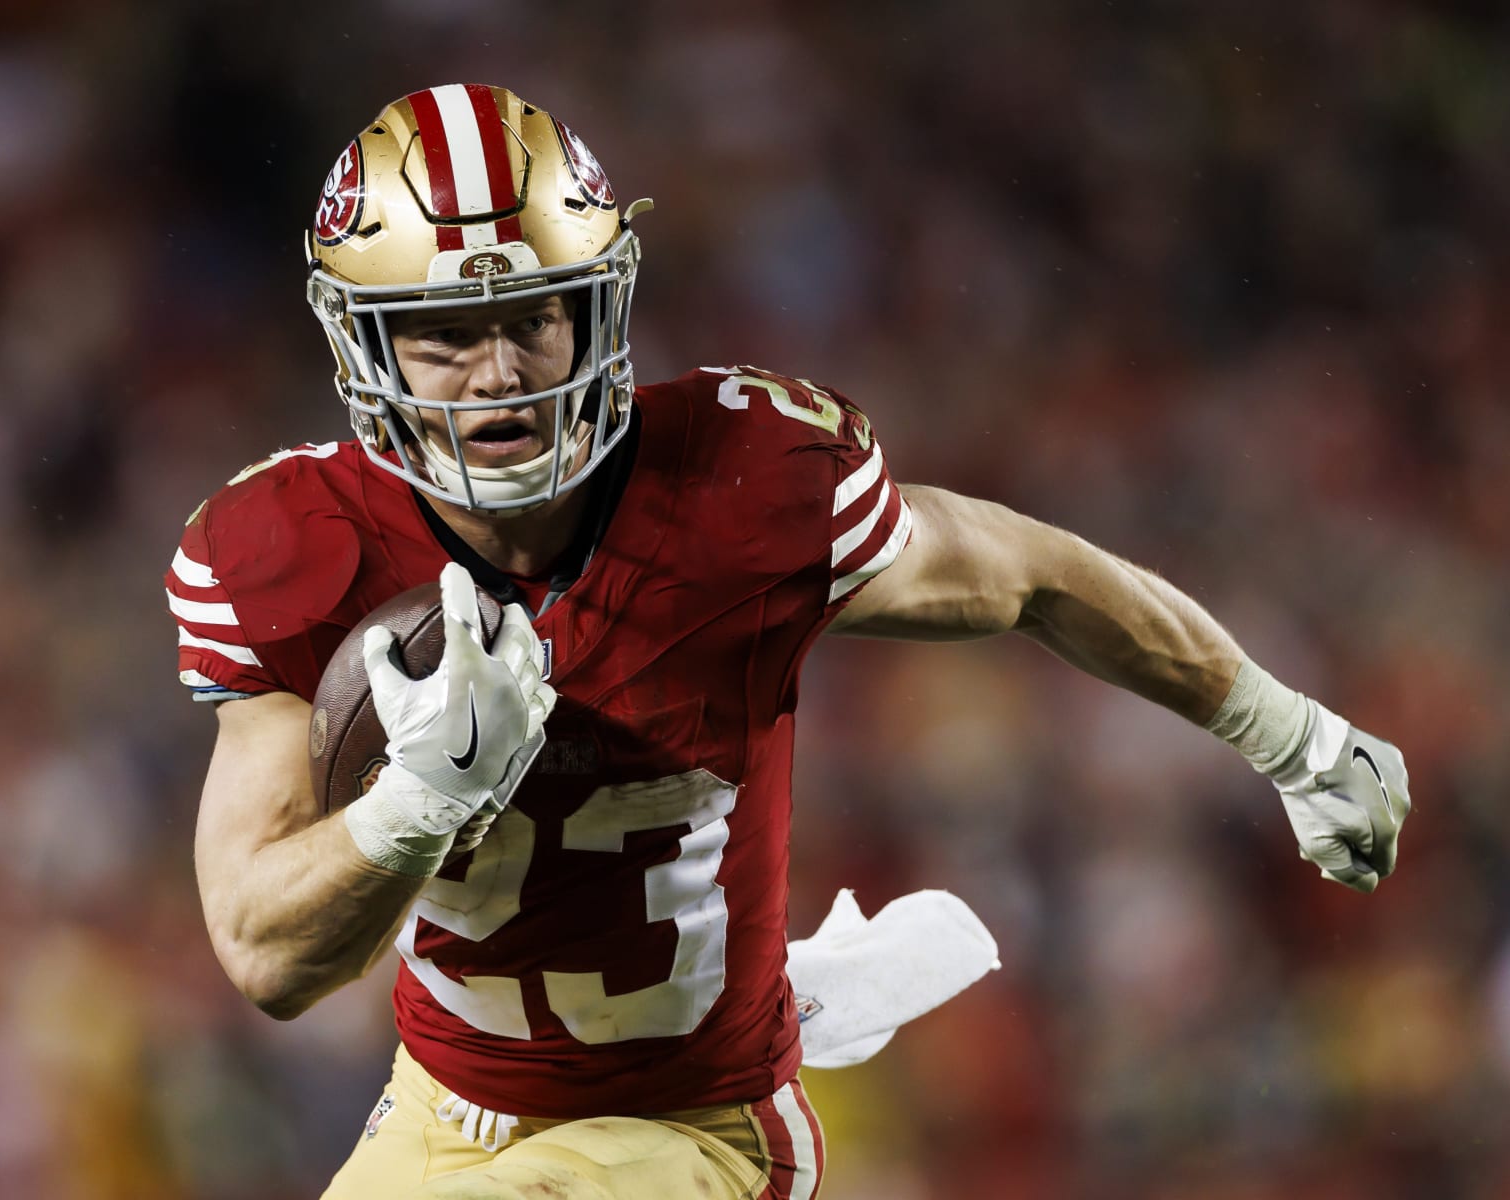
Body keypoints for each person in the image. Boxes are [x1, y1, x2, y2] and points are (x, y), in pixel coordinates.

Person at [166, 84, 1411, 1200]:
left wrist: (1284, 728)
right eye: (446, 333)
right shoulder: (294, 549)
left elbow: (1030, 575)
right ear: (364, 346)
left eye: (537, 315)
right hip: (441, 1111)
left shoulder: (740, 484)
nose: (498, 373)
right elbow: (265, 953)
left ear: (599, 309)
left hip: (693, 1124)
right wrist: (415, 804)